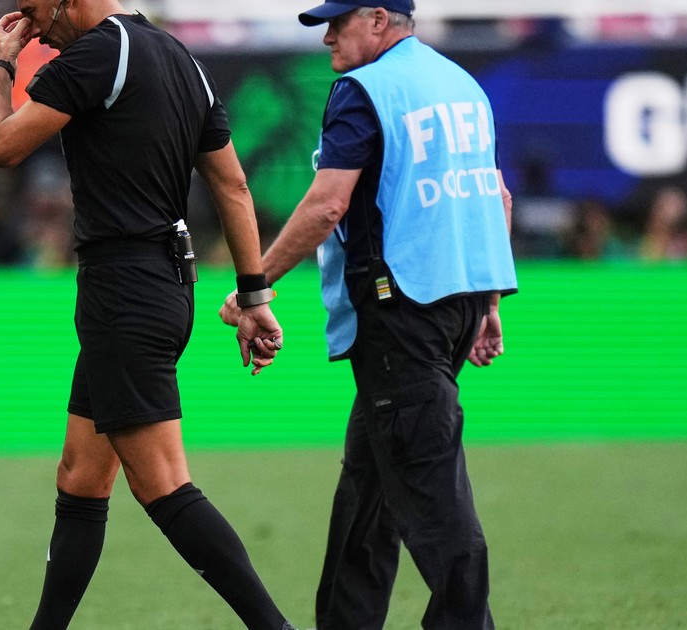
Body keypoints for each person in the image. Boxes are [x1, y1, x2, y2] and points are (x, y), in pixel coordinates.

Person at [0, 1, 294, 628]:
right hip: (164, 284)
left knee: (163, 485)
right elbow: (232, 186)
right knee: (81, 476)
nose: (36, 30)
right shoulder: (182, 59)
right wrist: (254, 296)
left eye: (36, 11)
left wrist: (1, 66)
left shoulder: (97, 54)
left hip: (123, 292)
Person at [220, 2, 517, 628]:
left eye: (339, 21)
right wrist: (488, 301)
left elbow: (328, 205)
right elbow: (495, 197)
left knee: (437, 509)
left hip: (400, 314)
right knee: (368, 497)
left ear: (379, 20)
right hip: (455, 304)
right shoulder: (461, 84)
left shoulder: (364, 89)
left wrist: (254, 286)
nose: (327, 35)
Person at [639, 185, 687, 261]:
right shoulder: (647, 243)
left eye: (677, 205)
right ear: (657, 211)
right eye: (669, 205)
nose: (674, 210)